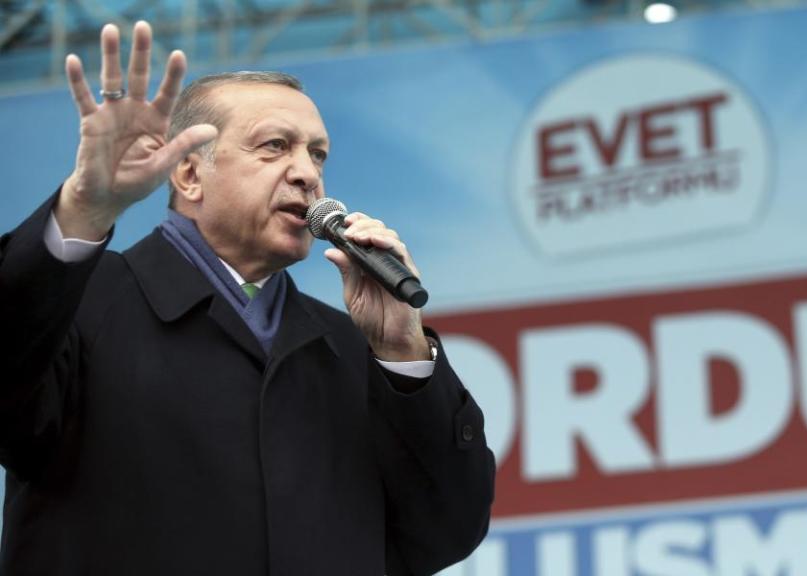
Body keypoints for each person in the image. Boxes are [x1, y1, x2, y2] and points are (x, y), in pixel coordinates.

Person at [0, 20, 494, 575]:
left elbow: (443, 533)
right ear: (189, 175)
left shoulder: (351, 348)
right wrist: (85, 208)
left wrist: (404, 357)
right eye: (275, 146)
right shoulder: (82, 301)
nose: (308, 174)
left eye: (319, 154)